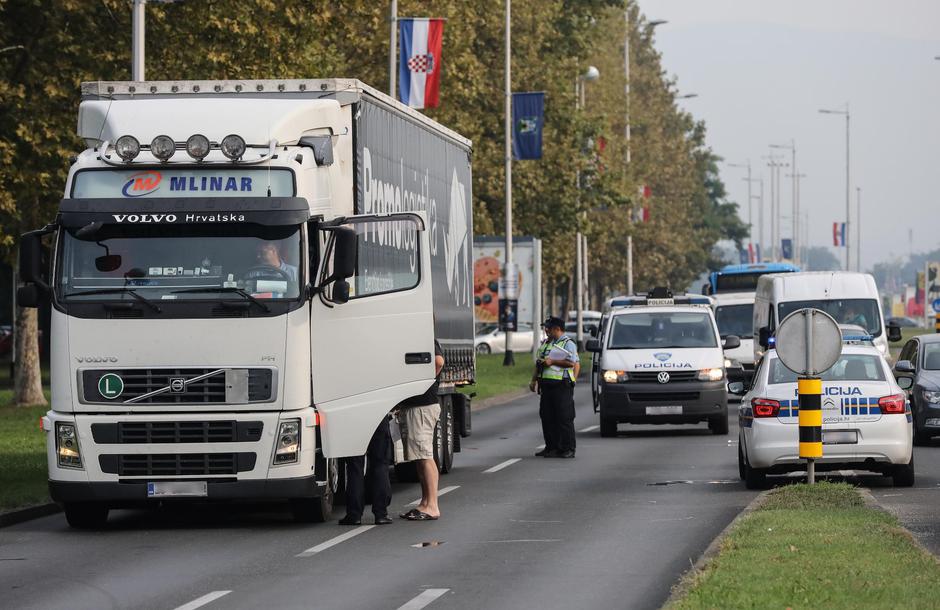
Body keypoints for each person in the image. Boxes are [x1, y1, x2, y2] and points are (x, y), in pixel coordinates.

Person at [399, 339, 445, 521]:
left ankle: (432, 505)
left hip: (422, 406)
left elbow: (439, 361)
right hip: (418, 406)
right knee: (420, 456)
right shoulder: (422, 336)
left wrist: (424, 384)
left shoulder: (426, 337)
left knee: (425, 456)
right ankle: (425, 503)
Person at [531, 316, 579, 458]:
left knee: (564, 418)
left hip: (562, 385)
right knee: (547, 417)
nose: (546, 330)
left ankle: (568, 448)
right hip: (547, 386)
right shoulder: (547, 344)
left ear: (557, 329)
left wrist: (553, 362)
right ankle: (551, 447)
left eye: (549, 328)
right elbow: (539, 364)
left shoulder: (568, 343)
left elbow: (572, 363)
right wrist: (534, 380)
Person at [338, 415, 393, 526]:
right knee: (380, 464)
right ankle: (381, 514)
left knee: (354, 467)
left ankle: (354, 514)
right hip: (379, 416)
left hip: (354, 419)